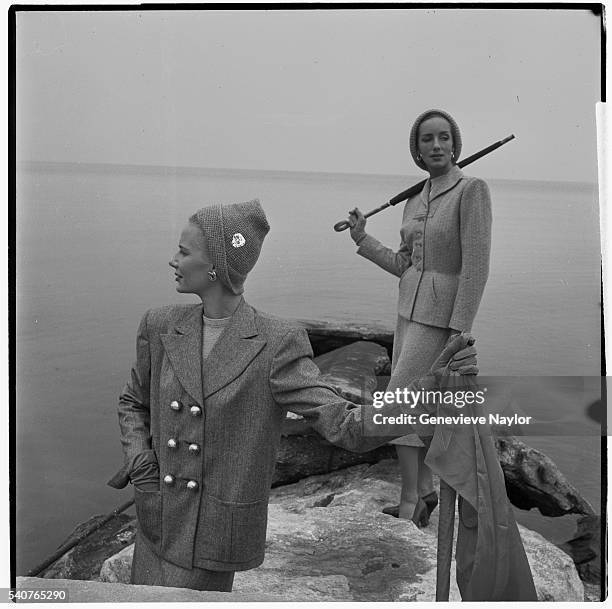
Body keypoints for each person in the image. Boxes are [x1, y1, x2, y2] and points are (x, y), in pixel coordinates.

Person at [107, 199, 477, 592]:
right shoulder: (160, 324)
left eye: (183, 251)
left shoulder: (276, 343)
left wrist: (429, 390)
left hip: (212, 532)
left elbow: (346, 426)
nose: (173, 260)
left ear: (215, 265)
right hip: (156, 516)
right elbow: (134, 402)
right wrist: (140, 461)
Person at [346, 109, 492, 525]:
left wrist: (460, 332)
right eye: (427, 140)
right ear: (417, 149)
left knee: (400, 403)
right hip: (407, 313)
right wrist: (362, 238)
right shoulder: (413, 199)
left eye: (444, 138)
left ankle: (413, 499)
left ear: (455, 144)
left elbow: (477, 267)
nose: (436, 146)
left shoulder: (472, 190)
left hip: (441, 320)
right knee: (419, 405)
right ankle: (423, 493)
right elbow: (405, 264)